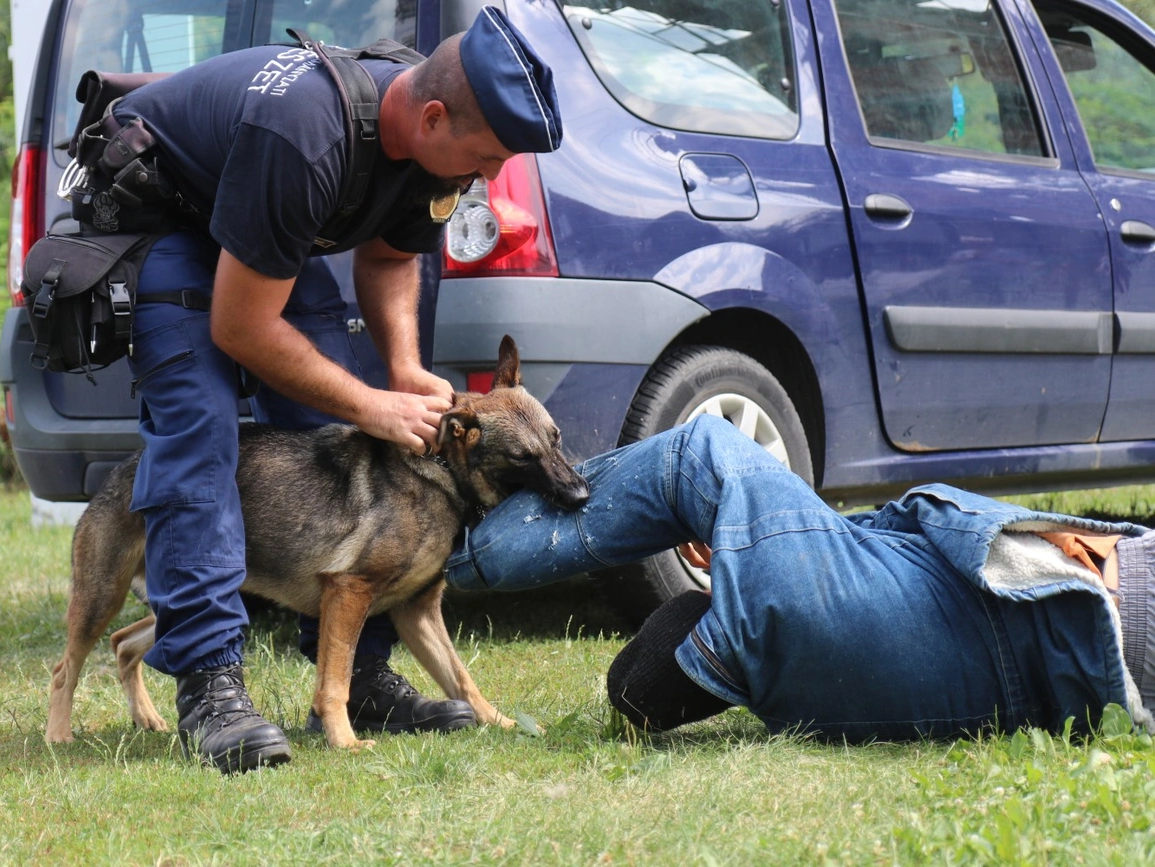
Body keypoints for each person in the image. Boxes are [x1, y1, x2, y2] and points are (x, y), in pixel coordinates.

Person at [113, 8, 562, 772]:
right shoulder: (306, 136)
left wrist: (402, 370)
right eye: (486, 157)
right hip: (164, 223)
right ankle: (210, 683)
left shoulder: (432, 154)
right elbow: (241, 328)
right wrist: (370, 404)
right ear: (432, 117)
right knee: (202, 433)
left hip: (259, 234)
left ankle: (358, 678)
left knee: (344, 426)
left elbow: (389, 261)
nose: (487, 178)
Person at [444, 415, 1155, 741]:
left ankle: (436, 552)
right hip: (974, 646)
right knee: (649, 675)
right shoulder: (806, 660)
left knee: (700, 452)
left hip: (1043, 619)